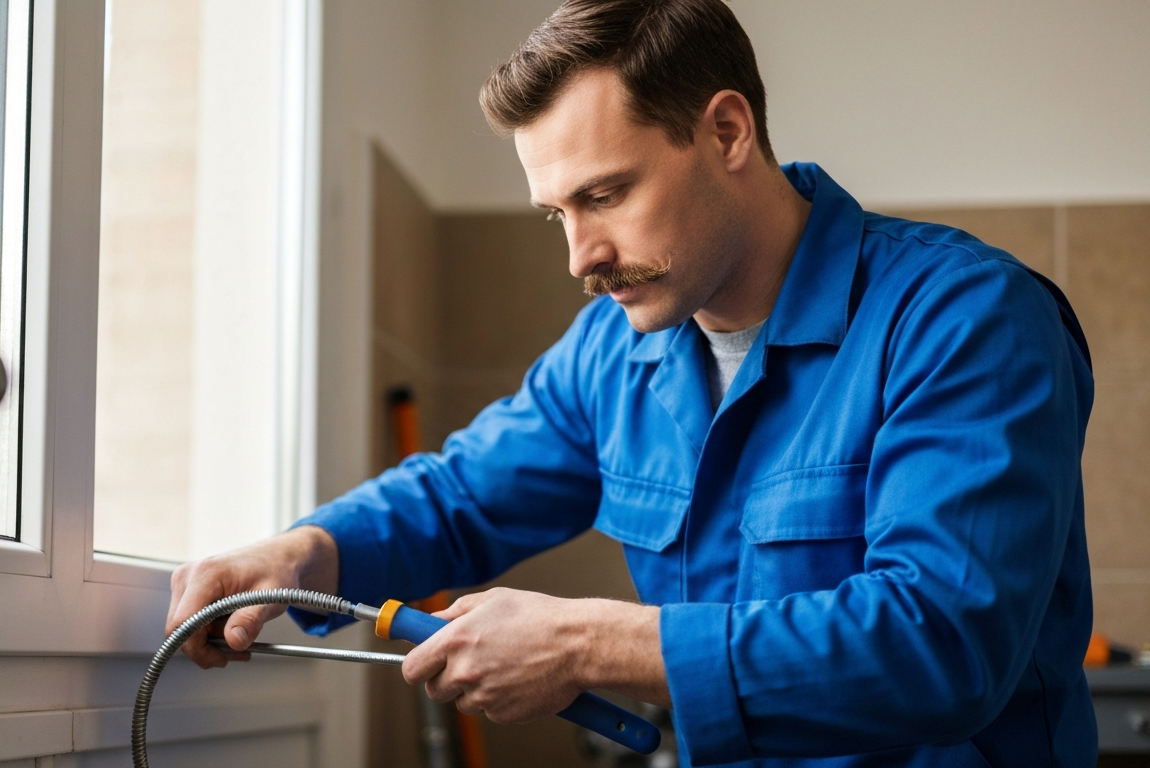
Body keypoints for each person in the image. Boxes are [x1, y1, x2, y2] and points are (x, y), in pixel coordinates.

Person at [165, 1, 1096, 765]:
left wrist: (586, 643)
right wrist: (301, 555)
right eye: (556, 213)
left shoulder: (965, 317)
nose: (582, 257)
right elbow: (458, 497)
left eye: (606, 195)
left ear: (727, 130)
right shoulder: (612, 353)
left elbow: (941, 643)